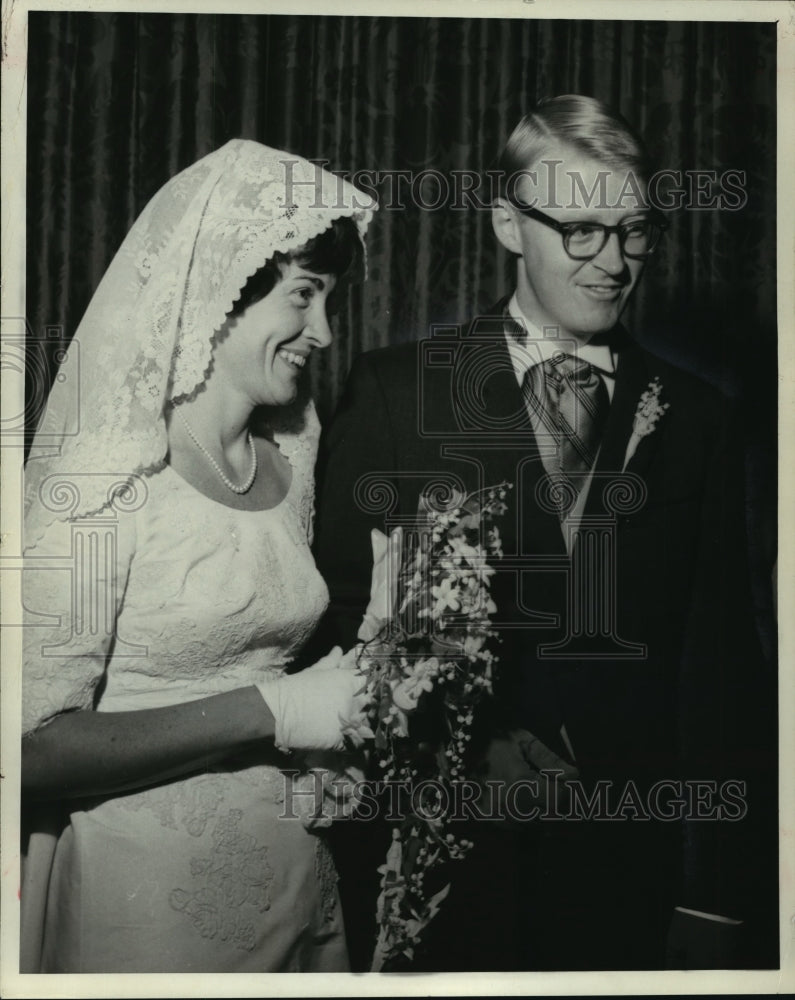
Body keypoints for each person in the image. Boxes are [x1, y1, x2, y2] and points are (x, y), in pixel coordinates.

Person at [313, 96, 777, 971]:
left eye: (634, 231)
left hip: (630, 880)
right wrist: (454, 739)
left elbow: (722, 675)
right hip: (436, 871)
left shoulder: (700, 419)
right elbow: (336, 625)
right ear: (507, 225)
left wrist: (716, 897)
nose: (614, 263)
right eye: (581, 231)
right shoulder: (398, 394)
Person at [20, 139, 384, 973]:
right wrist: (271, 711)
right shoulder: (105, 474)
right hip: (145, 907)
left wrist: (330, 745)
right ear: (219, 294)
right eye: (303, 296)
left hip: (296, 881)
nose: (324, 332)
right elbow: (27, 751)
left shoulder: (295, 449)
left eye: (331, 300)